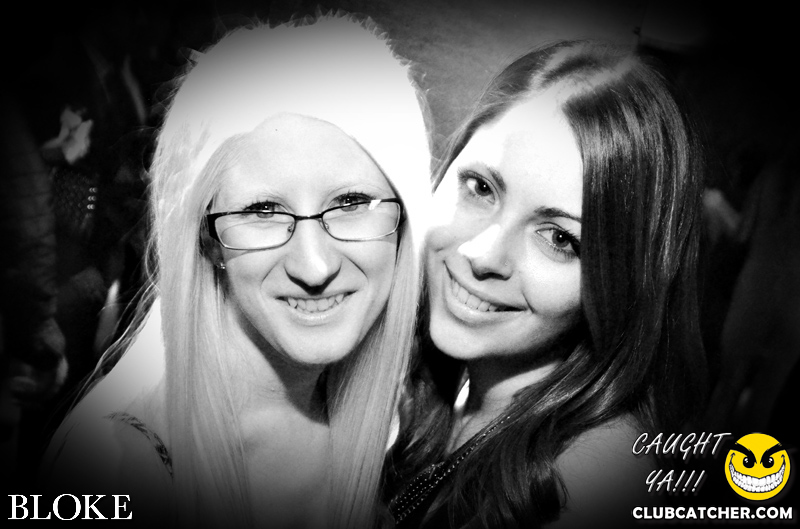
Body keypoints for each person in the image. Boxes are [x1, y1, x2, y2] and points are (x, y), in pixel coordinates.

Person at [40, 13, 431, 529]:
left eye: (351, 202)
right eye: (263, 211)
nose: (314, 266)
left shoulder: (392, 424)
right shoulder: (117, 471)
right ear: (207, 241)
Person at [386, 39, 708, 528]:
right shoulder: (458, 386)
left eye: (559, 238)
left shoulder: (588, 478)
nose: (482, 254)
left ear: (620, 282)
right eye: (481, 188)